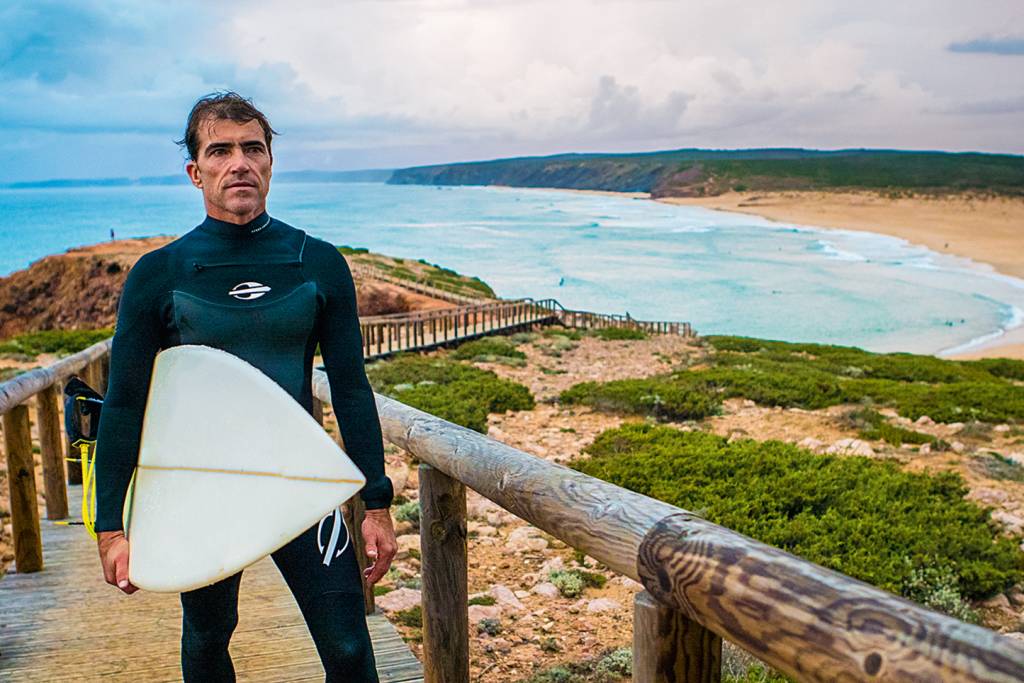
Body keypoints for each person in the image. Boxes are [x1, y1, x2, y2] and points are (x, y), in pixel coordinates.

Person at [93, 91, 397, 682]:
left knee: (350, 650)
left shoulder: (317, 262)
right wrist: (111, 527)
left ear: (270, 164)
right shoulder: (160, 274)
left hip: (299, 484)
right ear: (195, 171)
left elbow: (352, 390)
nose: (239, 163)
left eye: (252, 148)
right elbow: (125, 403)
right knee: (207, 640)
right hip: (204, 487)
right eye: (220, 150)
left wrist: (377, 505)